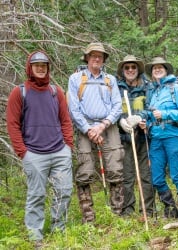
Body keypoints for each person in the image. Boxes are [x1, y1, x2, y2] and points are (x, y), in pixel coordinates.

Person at [6, 51, 73, 245]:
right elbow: (12, 124)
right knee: (36, 195)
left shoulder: (56, 91)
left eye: (44, 65)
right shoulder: (20, 92)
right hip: (34, 154)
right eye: (37, 65)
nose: (41, 68)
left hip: (59, 151)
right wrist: (23, 153)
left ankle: (58, 230)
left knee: (64, 192)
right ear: (30, 67)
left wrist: (67, 146)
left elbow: (65, 120)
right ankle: (36, 237)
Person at [126, 57, 178, 221]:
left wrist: (165, 114)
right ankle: (170, 208)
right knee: (156, 178)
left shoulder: (175, 88)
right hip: (156, 138)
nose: (157, 70)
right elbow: (150, 114)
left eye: (160, 67)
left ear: (166, 70)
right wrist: (146, 123)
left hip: (173, 136)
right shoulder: (153, 92)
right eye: (154, 68)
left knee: (177, 175)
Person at [67, 42, 124, 223]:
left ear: (104, 59)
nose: (97, 59)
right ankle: (88, 216)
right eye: (93, 55)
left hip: (109, 127)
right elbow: (73, 109)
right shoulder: (76, 79)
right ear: (87, 58)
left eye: (100, 56)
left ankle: (117, 213)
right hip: (85, 128)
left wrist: (103, 125)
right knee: (85, 171)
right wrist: (88, 129)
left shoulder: (110, 80)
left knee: (115, 168)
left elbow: (117, 105)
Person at [116, 55, 154, 217]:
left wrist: (140, 117)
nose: (130, 70)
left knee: (146, 174)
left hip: (143, 137)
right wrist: (120, 121)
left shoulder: (147, 86)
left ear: (138, 69)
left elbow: (152, 107)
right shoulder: (116, 88)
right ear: (123, 71)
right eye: (127, 67)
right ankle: (128, 210)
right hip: (124, 137)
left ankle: (148, 210)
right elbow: (112, 109)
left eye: (133, 67)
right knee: (127, 175)